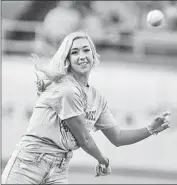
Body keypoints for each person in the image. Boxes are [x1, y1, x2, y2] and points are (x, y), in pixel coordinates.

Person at [2, 30, 170, 184]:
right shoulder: (67, 89)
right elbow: (84, 139)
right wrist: (103, 160)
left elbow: (118, 137)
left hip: (59, 168)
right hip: (28, 163)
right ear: (67, 60)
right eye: (74, 52)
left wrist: (150, 129)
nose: (81, 56)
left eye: (86, 50)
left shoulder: (97, 98)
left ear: (93, 55)